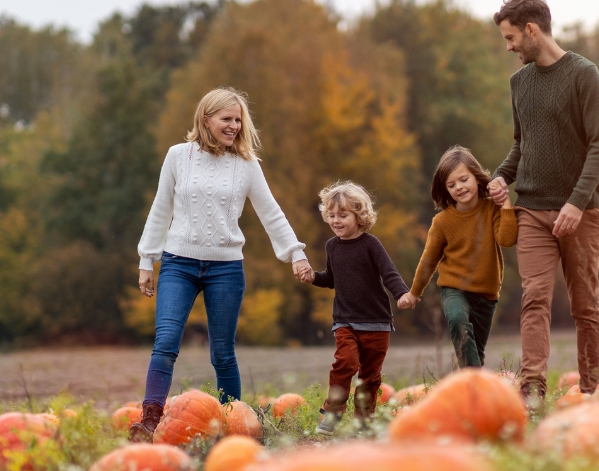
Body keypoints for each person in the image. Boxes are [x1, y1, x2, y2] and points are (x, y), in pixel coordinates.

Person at [130, 87, 312, 441]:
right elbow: (161, 208)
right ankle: (150, 419)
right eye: (226, 119)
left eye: (238, 120)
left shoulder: (246, 165)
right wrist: (146, 259)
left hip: (225, 269)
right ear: (206, 119)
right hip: (178, 264)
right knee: (166, 341)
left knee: (222, 352)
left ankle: (234, 425)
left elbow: (270, 212)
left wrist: (296, 252)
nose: (234, 126)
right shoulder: (177, 156)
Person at [488, 0, 599, 405]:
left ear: (532, 30)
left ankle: (592, 388)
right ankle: (533, 389)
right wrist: (501, 177)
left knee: (584, 304)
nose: (509, 47)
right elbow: (522, 144)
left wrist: (576, 202)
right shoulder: (518, 83)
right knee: (534, 298)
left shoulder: (583, 74)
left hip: (582, 212)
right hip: (532, 211)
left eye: (511, 37)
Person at [303, 181, 409, 436]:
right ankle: (333, 413)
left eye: (343, 215)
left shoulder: (370, 244)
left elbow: (389, 273)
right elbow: (332, 278)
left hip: (377, 322)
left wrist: (402, 293)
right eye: (331, 215)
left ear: (359, 216)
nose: (336, 221)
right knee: (345, 363)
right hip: (346, 320)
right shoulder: (332, 246)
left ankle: (363, 422)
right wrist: (313, 277)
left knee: (369, 377)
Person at [398, 146, 517, 369]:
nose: (459, 187)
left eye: (463, 180)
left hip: (487, 294)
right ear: (445, 189)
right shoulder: (442, 222)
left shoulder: (492, 209)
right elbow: (428, 261)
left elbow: (507, 240)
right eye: (451, 185)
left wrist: (506, 205)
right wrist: (414, 293)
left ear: (476, 177)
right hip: (454, 289)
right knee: (457, 321)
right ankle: (472, 378)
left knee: (476, 353)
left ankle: (471, 389)